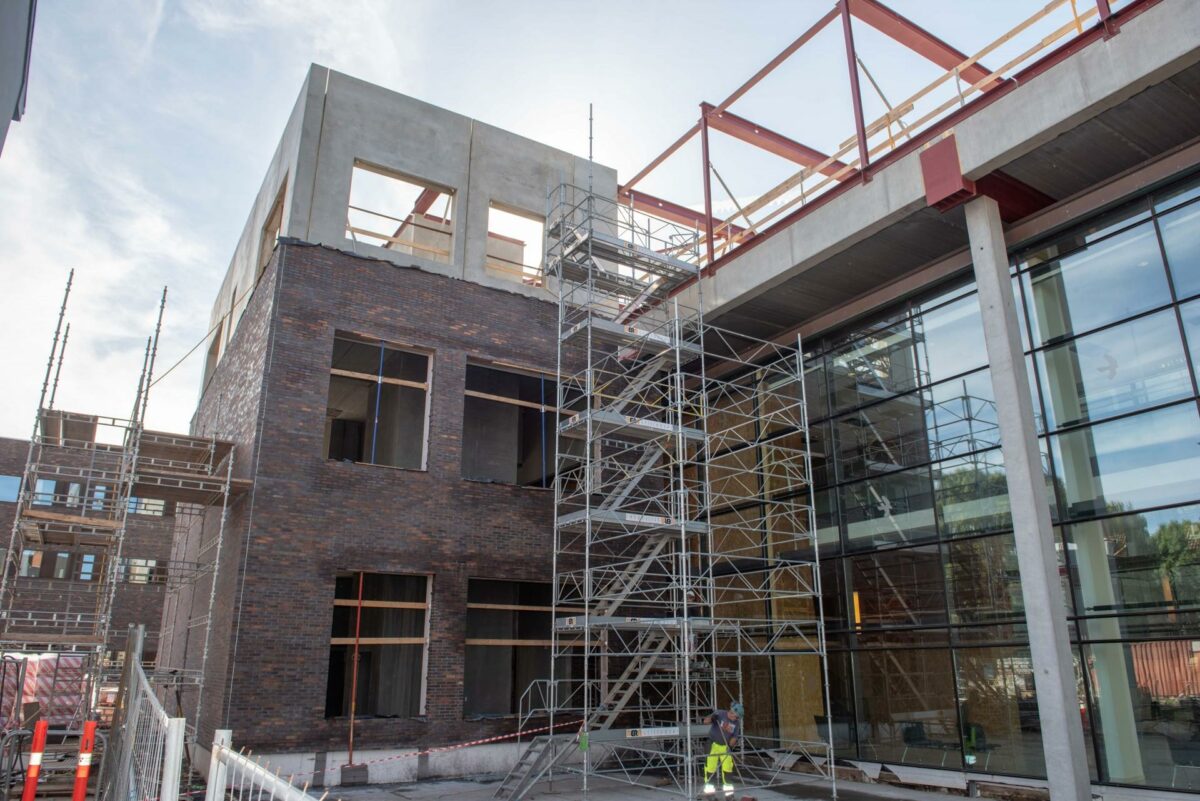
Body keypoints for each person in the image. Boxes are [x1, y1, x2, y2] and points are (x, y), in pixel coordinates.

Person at [703, 702, 743, 796]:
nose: (736, 719)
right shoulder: (720, 713)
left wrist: (732, 744)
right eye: (736, 717)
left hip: (725, 746)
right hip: (712, 744)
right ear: (732, 712)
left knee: (728, 768)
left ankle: (729, 795)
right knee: (710, 768)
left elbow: (734, 736)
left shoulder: (736, 723)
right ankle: (710, 794)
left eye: (738, 718)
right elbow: (705, 721)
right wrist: (713, 718)